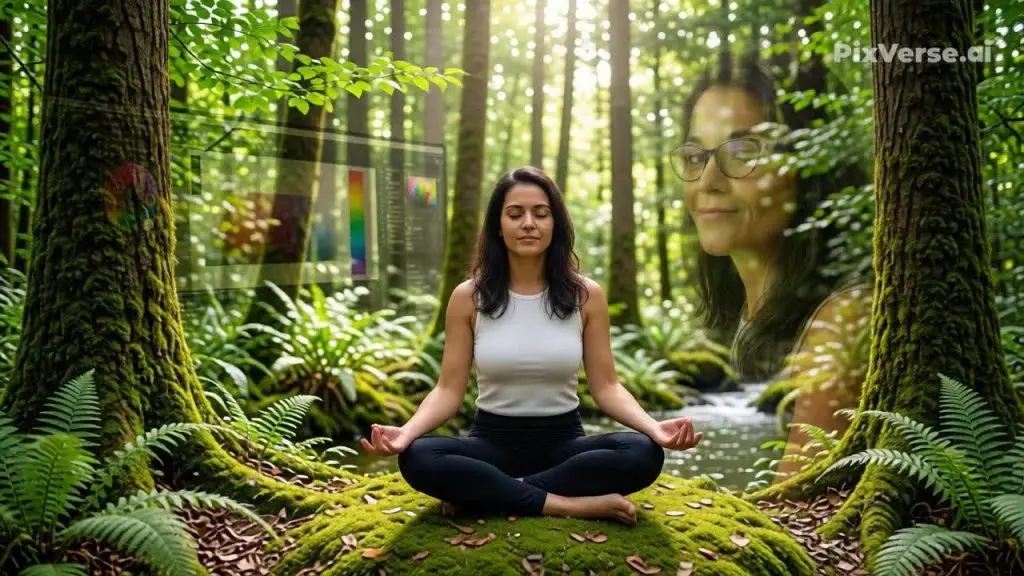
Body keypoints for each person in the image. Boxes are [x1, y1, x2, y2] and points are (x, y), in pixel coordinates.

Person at [360, 166, 703, 525]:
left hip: (564, 445)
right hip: (490, 443)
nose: (528, 223)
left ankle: (488, 495)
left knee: (642, 453)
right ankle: (568, 504)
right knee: (418, 457)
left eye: (540, 213)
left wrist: (653, 428)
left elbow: (607, 387)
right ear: (498, 225)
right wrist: (407, 432)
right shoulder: (468, 298)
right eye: (515, 214)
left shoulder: (586, 296)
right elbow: (448, 390)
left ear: (555, 224)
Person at [671, 50, 872, 477]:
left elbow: (799, 518)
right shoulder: (748, 320)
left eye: (742, 150)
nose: (708, 181)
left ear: (809, 170)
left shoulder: (844, 320)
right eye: (695, 156)